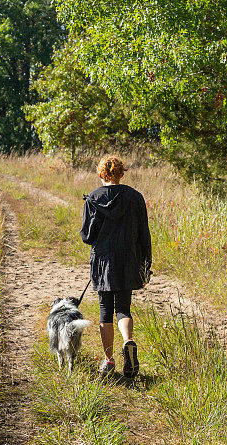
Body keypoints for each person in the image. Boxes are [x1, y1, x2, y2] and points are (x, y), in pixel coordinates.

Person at [80, 155, 152, 378]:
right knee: (123, 308)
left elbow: (87, 236)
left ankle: (109, 361)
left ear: (102, 174)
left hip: (103, 261)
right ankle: (128, 341)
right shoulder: (135, 197)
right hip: (128, 259)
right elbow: (144, 235)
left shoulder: (93, 198)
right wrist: (145, 265)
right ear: (121, 173)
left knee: (105, 312)